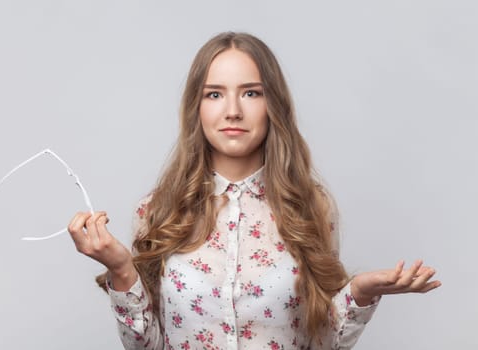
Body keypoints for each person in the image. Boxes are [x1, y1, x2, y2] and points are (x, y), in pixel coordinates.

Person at [67, 32, 441, 349]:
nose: (232, 111)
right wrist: (120, 268)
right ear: (195, 107)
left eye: (250, 93)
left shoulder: (311, 207)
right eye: (214, 94)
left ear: (272, 104)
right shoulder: (159, 210)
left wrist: (358, 292)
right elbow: (145, 343)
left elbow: (322, 340)